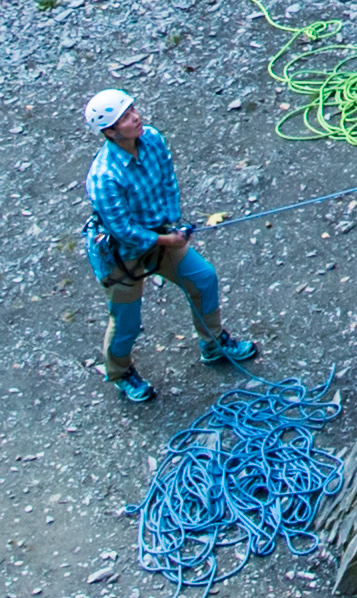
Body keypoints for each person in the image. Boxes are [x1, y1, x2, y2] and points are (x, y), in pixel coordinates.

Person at [85, 87, 259, 407]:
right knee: (126, 321)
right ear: (109, 132)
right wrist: (168, 239)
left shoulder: (151, 139)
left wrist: (174, 223)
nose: (136, 117)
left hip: (162, 234)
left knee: (203, 278)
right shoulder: (104, 178)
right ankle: (120, 373)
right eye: (124, 117)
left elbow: (168, 182)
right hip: (121, 254)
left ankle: (213, 343)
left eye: (133, 109)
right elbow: (123, 231)